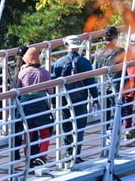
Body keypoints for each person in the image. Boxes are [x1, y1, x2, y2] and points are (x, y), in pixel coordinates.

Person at [50, 36, 97, 167]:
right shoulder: (85, 62)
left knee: (66, 125)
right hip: (80, 98)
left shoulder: (59, 62)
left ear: (66, 45)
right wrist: (95, 96)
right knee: (80, 125)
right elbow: (91, 81)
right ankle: (77, 153)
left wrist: (54, 101)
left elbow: (54, 84)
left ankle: (68, 152)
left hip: (65, 99)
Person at [15, 46, 52, 168]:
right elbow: (50, 91)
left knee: (28, 132)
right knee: (45, 131)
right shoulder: (45, 73)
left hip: (26, 105)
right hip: (41, 103)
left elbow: (18, 89)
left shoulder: (22, 73)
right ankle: (42, 156)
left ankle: (28, 156)